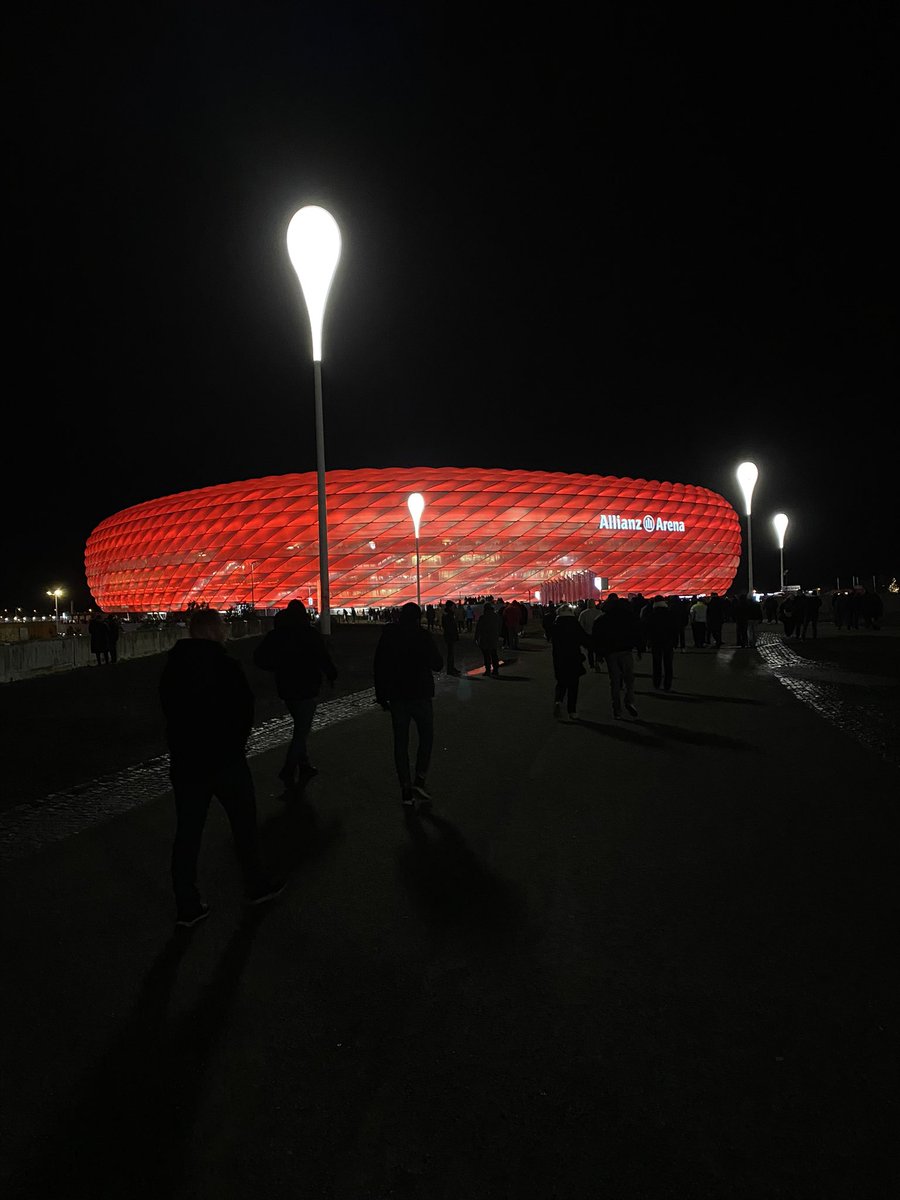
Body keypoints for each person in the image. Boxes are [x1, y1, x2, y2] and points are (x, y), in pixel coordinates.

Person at [159, 607, 282, 927]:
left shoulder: (173, 666)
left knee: (188, 833)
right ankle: (256, 886)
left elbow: (169, 711)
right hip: (225, 760)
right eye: (223, 625)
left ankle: (186, 905)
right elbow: (244, 710)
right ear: (213, 630)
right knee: (244, 824)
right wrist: (236, 743)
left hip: (187, 762)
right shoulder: (225, 665)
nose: (226, 629)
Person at [253, 599, 337, 786]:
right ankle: (289, 768)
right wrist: (332, 674)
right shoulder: (309, 634)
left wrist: (277, 667)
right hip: (308, 687)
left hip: (286, 687)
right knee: (302, 729)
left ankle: (304, 764)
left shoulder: (278, 635)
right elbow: (323, 657)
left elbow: (258, 658)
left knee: (300, 724)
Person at [374, 602, 443, 809]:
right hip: (420, 694)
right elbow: (438, 664)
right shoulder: (422, 636)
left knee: (400, 742)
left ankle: (405, 787)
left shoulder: (389, 635)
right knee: (426, 737)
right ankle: (419, 779)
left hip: (397, 696)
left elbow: (379, 665)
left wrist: (381, 694)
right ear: (417, 618)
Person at [594, 593, 640, 719]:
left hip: (611, 653)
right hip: (626, 650)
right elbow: (636, 632)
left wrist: (599, 655)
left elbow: (598, 639)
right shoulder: (628, 617)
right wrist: (639, 649)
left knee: (615, 681)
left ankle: (617, 710)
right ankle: (629, 701)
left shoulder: (602, 620)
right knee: (629, 679)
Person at [551, 605, 591, 720]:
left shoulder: (556, 624)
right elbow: (584, 639)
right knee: (573, 685)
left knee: (561, 682)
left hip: (559, 658)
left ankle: (558, 700)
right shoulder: (574, 624)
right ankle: (571, 710)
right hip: (573, 657)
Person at [644, 595, 677, 690]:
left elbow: (647, 630)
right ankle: (667, 685)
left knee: (656, 664)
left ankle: (656, 683)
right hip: (668, 642)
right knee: (668, 664)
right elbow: (675, 629)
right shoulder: (670, 614)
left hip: (656, 642)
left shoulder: (651, 615)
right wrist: (675, 642)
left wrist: (648, 642)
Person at [474, 602, 502, 677]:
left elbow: (478, 629)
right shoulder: (496, 616)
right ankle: (496, 670)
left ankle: (488, 670)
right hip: (493, 638)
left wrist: (476, 638)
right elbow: (500, 626)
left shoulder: (483, 617)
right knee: (494, 654)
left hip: (485, 639)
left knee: (486, 655)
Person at [441, 600, 461, 675]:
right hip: (450, 636)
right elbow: (449, 627)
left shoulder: (448, 615)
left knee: (451, 653)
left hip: (449, 636)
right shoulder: (448, 615)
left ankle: (451, 668)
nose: (454, 608)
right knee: (450, 653)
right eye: (453, 606)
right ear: (450, 607)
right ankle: (450, 669)